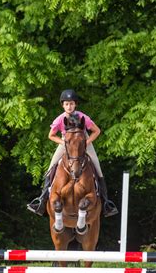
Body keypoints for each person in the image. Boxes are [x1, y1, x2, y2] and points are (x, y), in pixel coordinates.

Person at [27, 89, 118, 217]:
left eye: (71, 103)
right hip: (66, 143)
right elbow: (51, 135)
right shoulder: (60, 119)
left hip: (84, 142)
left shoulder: (83, 117)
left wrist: (87, 142)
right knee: (50, 168)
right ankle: (41, 201)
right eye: (66, 104)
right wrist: (63, 143)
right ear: (63, 105)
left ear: (75, 104)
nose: (69, 106)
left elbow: (96, 131)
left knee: (98, 169)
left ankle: (106, 204)